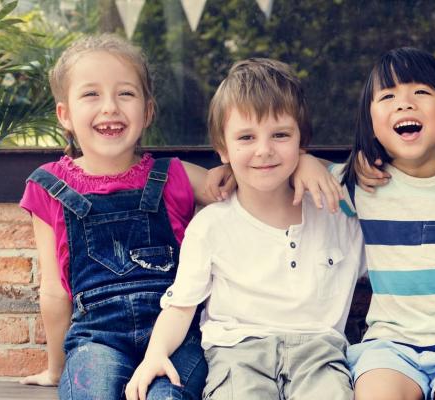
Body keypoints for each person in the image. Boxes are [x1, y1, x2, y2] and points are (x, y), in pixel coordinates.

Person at [124, 58, 364, 400]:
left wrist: (314, 163)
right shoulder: (211, 225)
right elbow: (181, 306)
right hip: (237, 353)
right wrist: (155, 354)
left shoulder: (336, 210)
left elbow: (379, 171)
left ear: (301, 141)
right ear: (223, 148)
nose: (264, 150)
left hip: (319, 354)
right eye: (246, 137)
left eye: (280, 135)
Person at [294, 47, 435, 400]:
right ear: (371, 122)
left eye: (421, 92)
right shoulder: (360, 184)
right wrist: (304, 161)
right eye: (388, 96)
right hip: (390, 346)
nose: (404, 104)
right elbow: (280, 166)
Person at [18, 34, 212, 399]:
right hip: (97, 341)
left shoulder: (175, 176)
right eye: (91, 94)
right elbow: (55, 292)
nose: (110, 107)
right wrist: (57, 370)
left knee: (167, 396)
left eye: (126, 93)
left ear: (148, 111)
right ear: (65, 115)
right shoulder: (49, 186)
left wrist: (305, 167)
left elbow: (243, 183)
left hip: (176, 336)